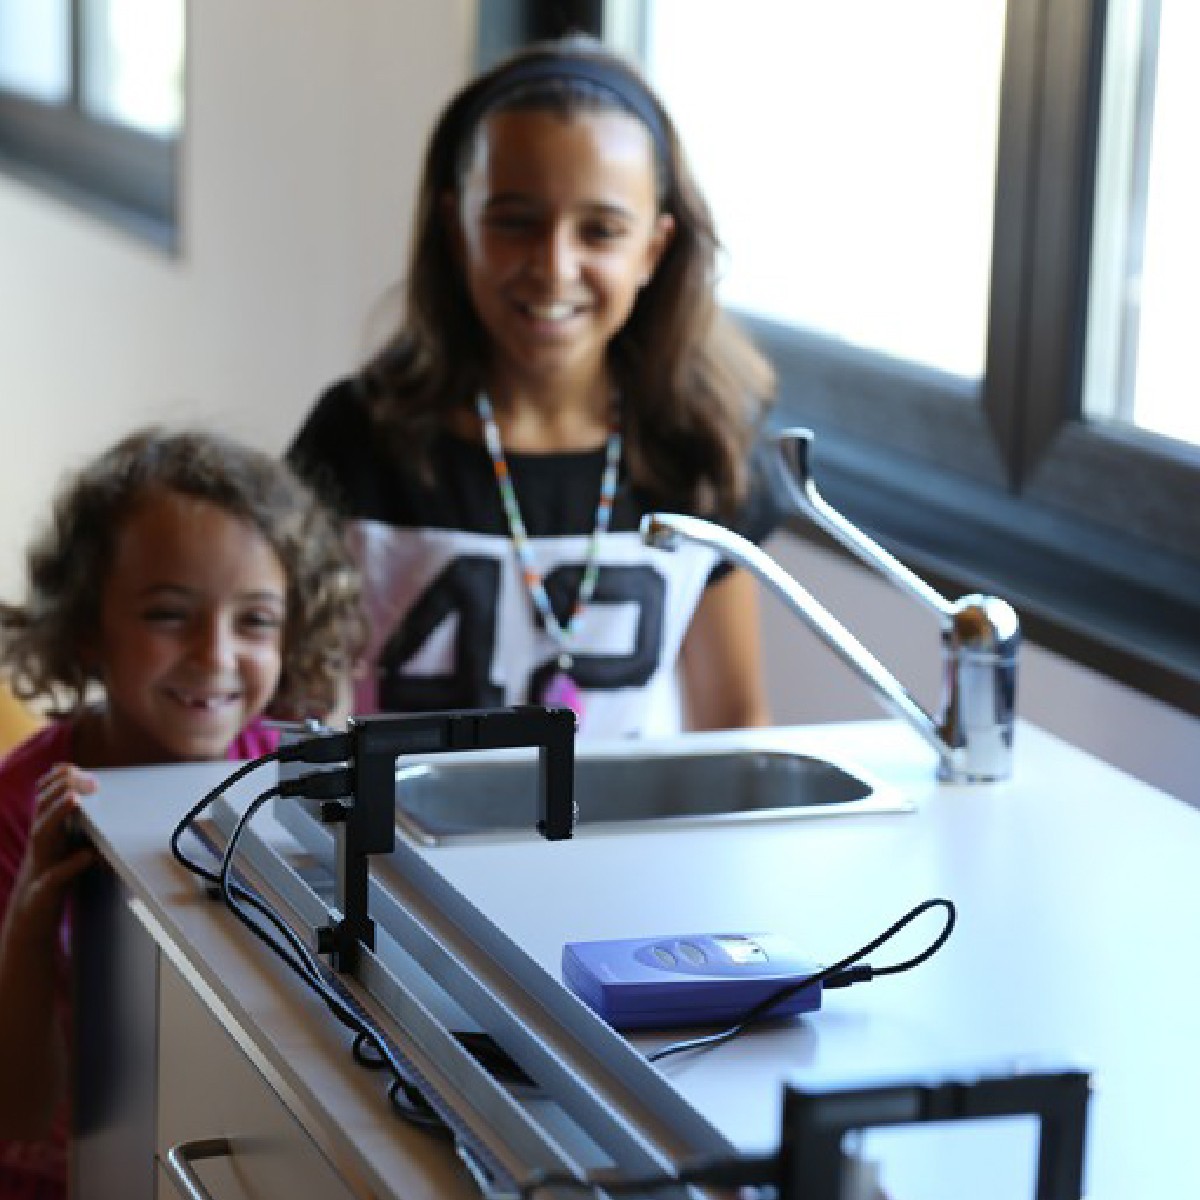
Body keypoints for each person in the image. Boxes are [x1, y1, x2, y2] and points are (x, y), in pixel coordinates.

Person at [288, 34, 781, 739]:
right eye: (515, 222)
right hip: (397, 815)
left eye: (600, 231)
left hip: (624, 816)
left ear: (653, 249)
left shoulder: (701, 452)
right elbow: (282, 698)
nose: (553, 267)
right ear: (456, 228)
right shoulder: (358, 437)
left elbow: (734, 721)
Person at [0, 427, 365, 1200]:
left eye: (255, 620)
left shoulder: (287, 786)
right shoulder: (18, 808)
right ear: (89, 624)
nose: (215, 655)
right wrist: (31, 920)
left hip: (218, 1158)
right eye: (168, 614)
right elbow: (18, 1111)